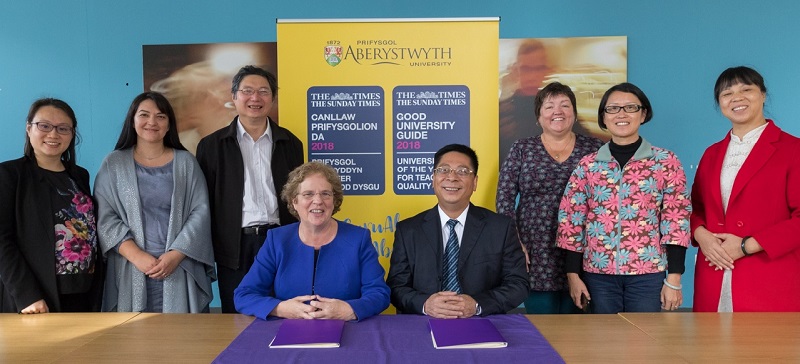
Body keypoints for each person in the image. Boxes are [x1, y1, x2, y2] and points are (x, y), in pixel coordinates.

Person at [556, 83, 691, 314]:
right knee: (604, 344)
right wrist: (573, 275)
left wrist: (674, 278)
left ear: (643, 113)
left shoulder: (665, 161)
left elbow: (676, 219)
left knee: (645, 343)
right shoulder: (588, 165)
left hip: (647, 274)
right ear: (604, 118)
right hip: (598, 275)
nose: (621, 114)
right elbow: (571, 220)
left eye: (630, 107)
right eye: (613, 109)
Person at [196, 65, 304, 313]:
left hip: (281, 240)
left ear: (273, 98)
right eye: (247, 91)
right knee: (237, 315)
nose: (255, 98)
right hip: (234, 246)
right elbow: (204, 203)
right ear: (234, 97)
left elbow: (300, 197)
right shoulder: (211, 146)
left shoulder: (290, 143)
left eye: (263, 91)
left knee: (285, 311)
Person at [95, 91, 215, 313]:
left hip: (179, 266)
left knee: (181, 339)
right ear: (133, 121)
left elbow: (200, 213)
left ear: (169, 124)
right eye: (144, 115)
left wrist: (176, 254)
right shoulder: (114, 164)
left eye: (160, 116)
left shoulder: (186, 162)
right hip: (131, 266)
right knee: (133, 340)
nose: (152, 122)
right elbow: (105, 216)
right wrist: (137, 256)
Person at [692, 66, 800, 312]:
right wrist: (701, 235)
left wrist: (746, 246)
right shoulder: (711, 153)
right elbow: (696, 208)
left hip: (769, 277)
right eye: (727, 93)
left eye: (746, 89)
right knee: (710, 348)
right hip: (714, 274)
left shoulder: (793, 150)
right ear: (719, 103)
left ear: (763, 94)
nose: (736, 98)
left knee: (764, 350)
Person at [497, 82, 604, 314]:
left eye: (565, 105)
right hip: (535, 251)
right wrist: (515, 244)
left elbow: (608, 199)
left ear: (574, 114)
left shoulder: (595, 149)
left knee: (578, 326)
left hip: (583, 249)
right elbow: (504, 198)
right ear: (539, 116)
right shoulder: (522, 148)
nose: (558, 111)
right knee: (541, 325)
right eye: (549, 106)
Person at [387, 144, 528, 318]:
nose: (452, 177)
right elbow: (396, 287)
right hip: (423, 326)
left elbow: (518, 284)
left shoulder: (501, 227)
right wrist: (425, 304)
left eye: (462, 171)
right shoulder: (408, 230)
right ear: (433, 179)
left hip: (481, 323)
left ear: (475, 182)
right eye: (443, 170)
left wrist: (477, 305)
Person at [234, 162, 390, 320]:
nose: (318, 201)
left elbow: (380, 294)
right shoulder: (277, 240)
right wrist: (280, 309)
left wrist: (349, 310)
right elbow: (244, 295)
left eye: (325, 194)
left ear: (334, 200)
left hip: (348, 331)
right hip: (288, 333)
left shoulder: (359, 239)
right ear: (294, 201)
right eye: (308, 194)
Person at [0, 98, 103, 313]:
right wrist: (27, 295)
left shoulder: (79, 176)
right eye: (44, 126)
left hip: (83, 292)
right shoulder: (9, 174)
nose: (53, 134)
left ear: (72, 134)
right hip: (36, 297)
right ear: (29, 129)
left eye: (63, 128)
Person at [499, 39, 589, 165]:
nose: (532, 76)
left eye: (539, 68)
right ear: (516, 69)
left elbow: (585, 143)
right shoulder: (502, 111)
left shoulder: (560, 111)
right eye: (526, 68)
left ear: (547, 71)